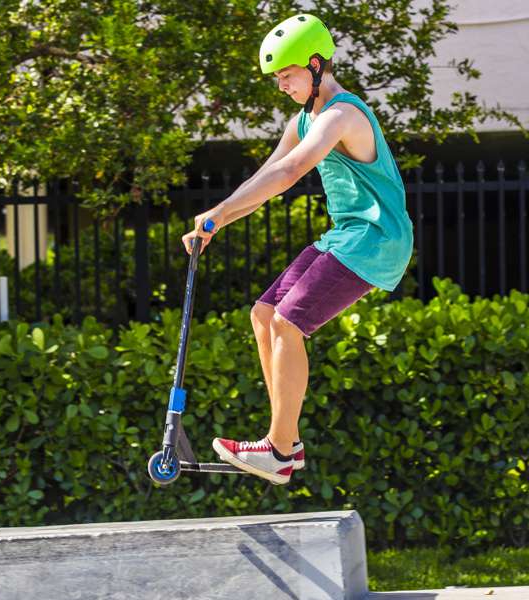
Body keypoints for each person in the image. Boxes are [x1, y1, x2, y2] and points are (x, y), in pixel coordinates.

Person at [181, 13, 413, 485]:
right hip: (347, 235)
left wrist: (219, 216)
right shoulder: (304, 118)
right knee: (264, 314)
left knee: (289, 321)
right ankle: (285, 445)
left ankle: (278, 448)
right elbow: (267, 174)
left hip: (376, 238)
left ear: (315, 64)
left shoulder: (342, 115)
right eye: (278, 79)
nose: (281, 85)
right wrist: (217, 218)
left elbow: (291, 174)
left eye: (287, 76)